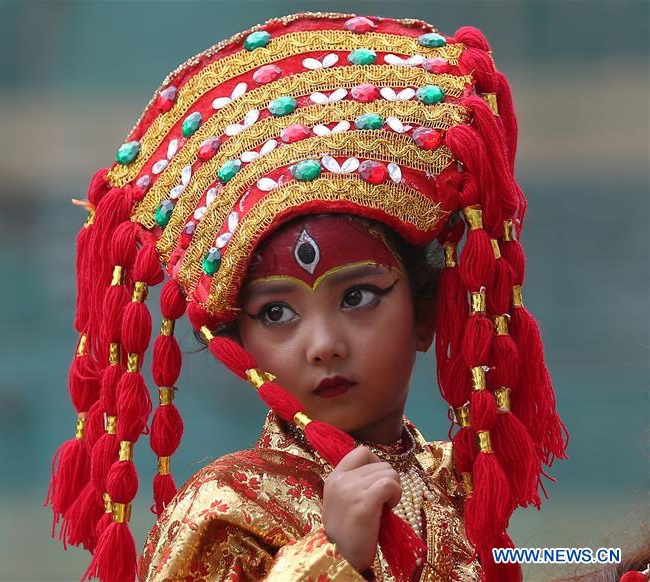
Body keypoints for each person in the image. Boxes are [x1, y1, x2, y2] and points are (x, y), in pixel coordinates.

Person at [45, 12, 568, 581]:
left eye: (358, 297)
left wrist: (609, 565)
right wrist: (332, 556)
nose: (323, 344)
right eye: (276, 313)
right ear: (240, 343)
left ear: (424, 314)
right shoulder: (225, 507)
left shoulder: (453, 481)